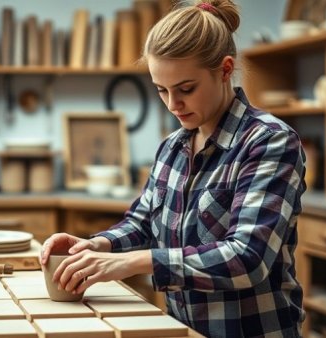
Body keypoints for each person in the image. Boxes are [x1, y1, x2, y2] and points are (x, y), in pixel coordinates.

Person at [40, 0, 306, 336]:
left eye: (185, 89)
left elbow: (248, 258)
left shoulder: (269, 142)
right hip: (183, 329)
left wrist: (136, 261)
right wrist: (96, 245)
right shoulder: (172, 147)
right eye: (161, 90)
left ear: (225, 69)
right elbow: (142, 223)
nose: (172, 104)